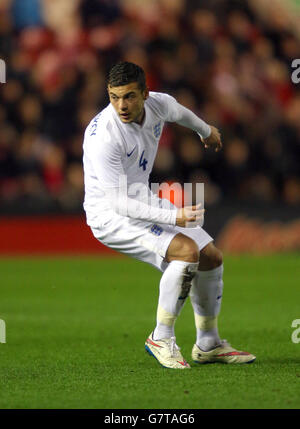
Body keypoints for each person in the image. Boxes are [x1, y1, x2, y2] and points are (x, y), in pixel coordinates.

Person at [82, 62, 255, 369]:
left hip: (141, 198)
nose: (121, 105)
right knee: (186, 252)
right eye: (114, 97)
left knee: (211, 257)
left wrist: (206, 131)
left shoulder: (159, 104)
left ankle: (208, 343)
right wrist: (175, 218)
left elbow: (180, 113)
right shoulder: (103, 137)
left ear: (145, 94)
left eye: (129, 96)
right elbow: (118, 202)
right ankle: (160, 337)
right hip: (110, 214)